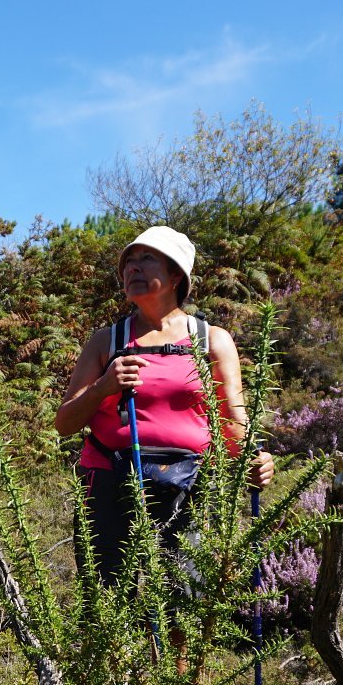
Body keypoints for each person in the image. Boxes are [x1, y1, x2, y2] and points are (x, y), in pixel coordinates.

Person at [54, 226, 274, 584]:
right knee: (107, 598)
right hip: (110, 482)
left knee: (183, 598)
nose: (133, 268)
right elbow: (65, 423)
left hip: (190, 486)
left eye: (146, 258)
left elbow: (233, 422)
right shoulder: (106, 341)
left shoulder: (211, 340)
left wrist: (256, 460)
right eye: (128, 262)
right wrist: (103, 387)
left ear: (176, 275)